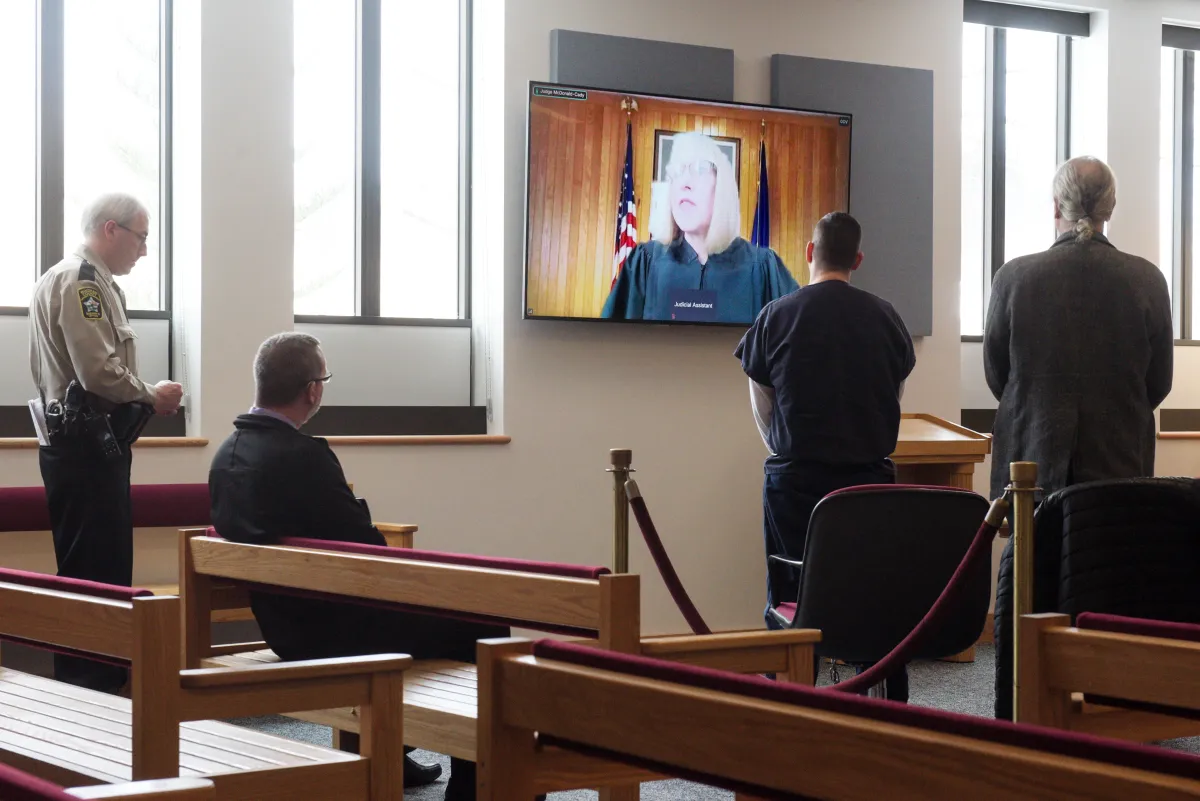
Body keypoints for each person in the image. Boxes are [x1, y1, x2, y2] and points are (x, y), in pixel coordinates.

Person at [209, 332, 511, 800]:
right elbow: (367, 549)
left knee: (450, 620)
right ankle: (474, 789)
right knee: (483, 625)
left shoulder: (226, 455)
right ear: (313, 390)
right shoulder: (304, 457)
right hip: (331, 635)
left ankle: (396, 747)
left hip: (283, 626)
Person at [735, 212, 914, 700]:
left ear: (810, 253)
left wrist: (794, 451)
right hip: (871, 485)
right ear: (857, 259)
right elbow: (891, 398)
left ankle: (790, 710)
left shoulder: (775, 314)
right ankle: (890, 710)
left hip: (794, 487)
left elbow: (765, 411)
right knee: (878, 598)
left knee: (791, 600)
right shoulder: (888, 318)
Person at [28, 192, 183, 694]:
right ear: (111, 230)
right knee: (95, 572)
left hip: (87, 443)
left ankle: (97, 684)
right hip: (86, 444)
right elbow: (97, 373)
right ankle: (92, 690)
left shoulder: (78, 278)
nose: (144, 249)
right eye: (141, 236)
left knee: (99, 568)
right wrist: (151, 394)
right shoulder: (83, 283)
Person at [984, 156, 1173, 503]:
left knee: (1031, 556)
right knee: (1111, 557)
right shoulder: (1148, 280)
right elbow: (1158, 382)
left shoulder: (1013, 278)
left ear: (1057, 206)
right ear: (1111, 207)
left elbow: (998, 375)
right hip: (1119, 464)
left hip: (1031, 459)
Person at [601, 131, 798, 323]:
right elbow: (611, 344)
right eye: (676, 172)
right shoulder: (645, 263)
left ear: (722, 185)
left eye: (700, 169)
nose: (684, 183)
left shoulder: (762, 268)